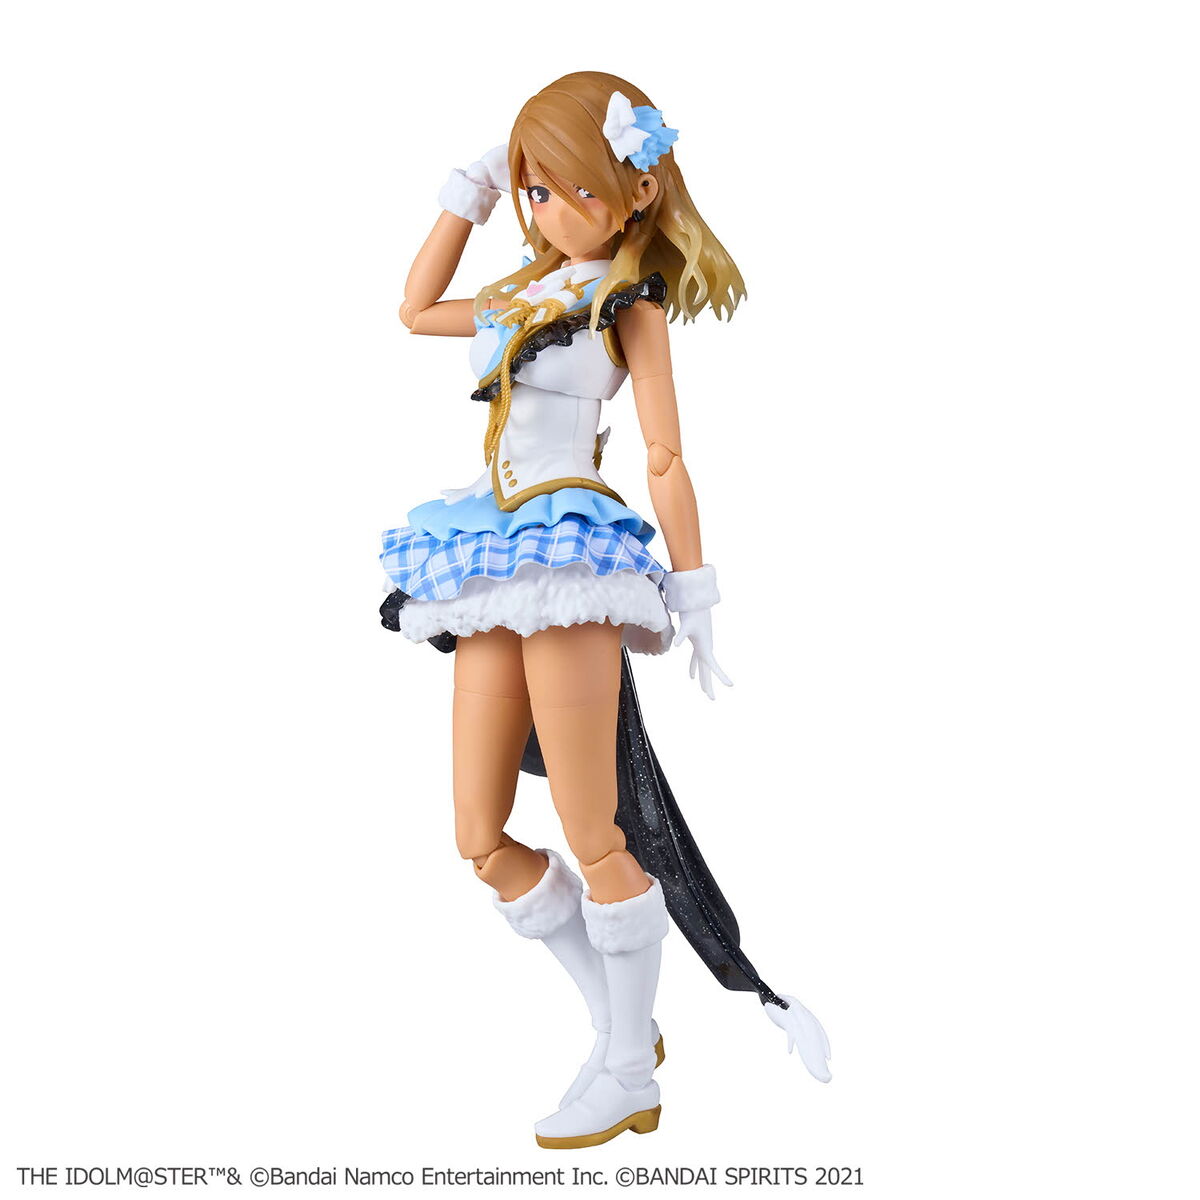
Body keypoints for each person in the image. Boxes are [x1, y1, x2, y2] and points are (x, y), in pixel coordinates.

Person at [381, 71, 828, 1150]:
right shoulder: (519, 293)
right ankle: (621, 1022)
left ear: (635, 190)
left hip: (571, 552)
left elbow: (666, 454)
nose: (552, 210)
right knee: (479, 835)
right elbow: (415, 310)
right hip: (486, 553)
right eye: (537, 189)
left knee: (597, 826)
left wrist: (695, 590)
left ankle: (628, 1069)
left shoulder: (628, 304)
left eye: (575, 188)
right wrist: (470, 192)